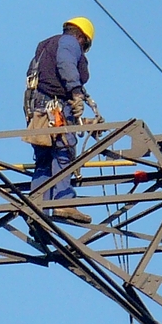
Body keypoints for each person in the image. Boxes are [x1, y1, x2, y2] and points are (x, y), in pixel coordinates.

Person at [22, 17, 99, 224]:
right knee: (63, 154)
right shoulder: (69, 43)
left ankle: (37, 206)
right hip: (56, 109)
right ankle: (63, 202)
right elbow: (65, 64)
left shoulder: (46, 45)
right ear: (82, 38)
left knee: (44, 161)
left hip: (38, 110)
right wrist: (75, 91)